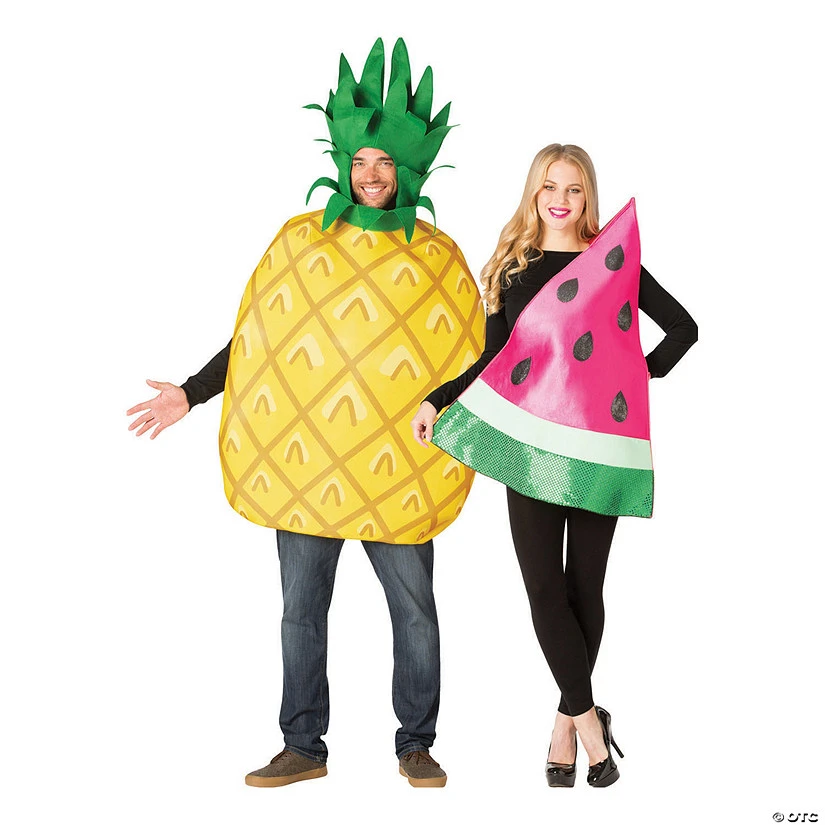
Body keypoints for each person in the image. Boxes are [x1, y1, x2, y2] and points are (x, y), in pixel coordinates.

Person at [127, 38, 484, 789]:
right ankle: (302, 746)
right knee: (300, 612)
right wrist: (190, 392)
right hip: (308, 464)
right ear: (343, 164)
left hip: (398, 465)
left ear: (408, 170)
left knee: (415, 613)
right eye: (360, 161)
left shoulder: (439, 258)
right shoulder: (301, 241)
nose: (371, 174)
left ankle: (415, 744)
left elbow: (470, 363)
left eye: (385, 162)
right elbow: (260, 339)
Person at [411, 143, 697, 788]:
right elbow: (493, 362)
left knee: (584, 588)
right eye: (549, 187)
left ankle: (568, 724)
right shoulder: (509, 267)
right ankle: (589, 718)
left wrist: (634, 375)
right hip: (531, 447)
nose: (561, 200)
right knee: (544, 589)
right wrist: (437, 399)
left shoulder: (611, 262)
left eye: (573, 188)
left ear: (588, 195)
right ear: (533, 193)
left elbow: (683, 329)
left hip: (599, 447)